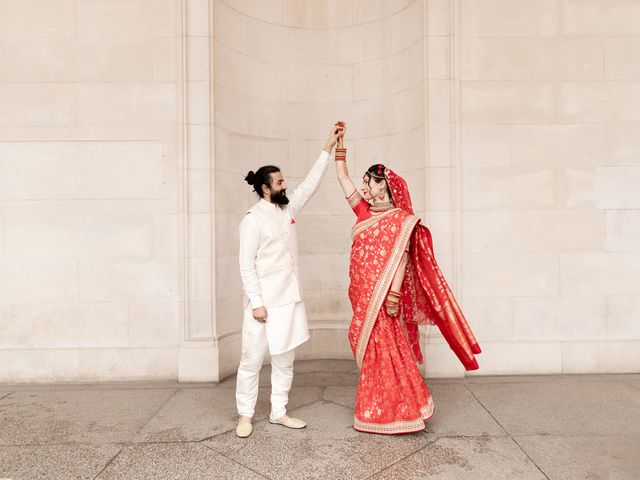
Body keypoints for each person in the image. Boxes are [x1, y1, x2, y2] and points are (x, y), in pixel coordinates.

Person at [333, 122, 481, 434]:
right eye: (363, 183)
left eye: (369, 184)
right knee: (372, 351)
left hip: (384, 297)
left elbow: (401, 258)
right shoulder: (363, 212)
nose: (363, 189)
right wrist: (339, 146)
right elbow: (342, 178)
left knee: (389, 349)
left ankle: (398, 409)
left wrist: (394, 295)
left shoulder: (400, 220)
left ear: (383, 185)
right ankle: (380, 408)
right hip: (363, 297)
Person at [235, 124, 344, 438]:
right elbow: (246, 266)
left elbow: (311, 184)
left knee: (284, 361)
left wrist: (328, 146)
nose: (286, 184)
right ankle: (245, 415)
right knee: (251, 359)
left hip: (289, 301)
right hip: (262, 305)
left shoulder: (287, 208)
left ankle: (278, 412)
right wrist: (257, 304)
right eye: (281, 181)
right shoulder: (252, 219)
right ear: (266, 188)